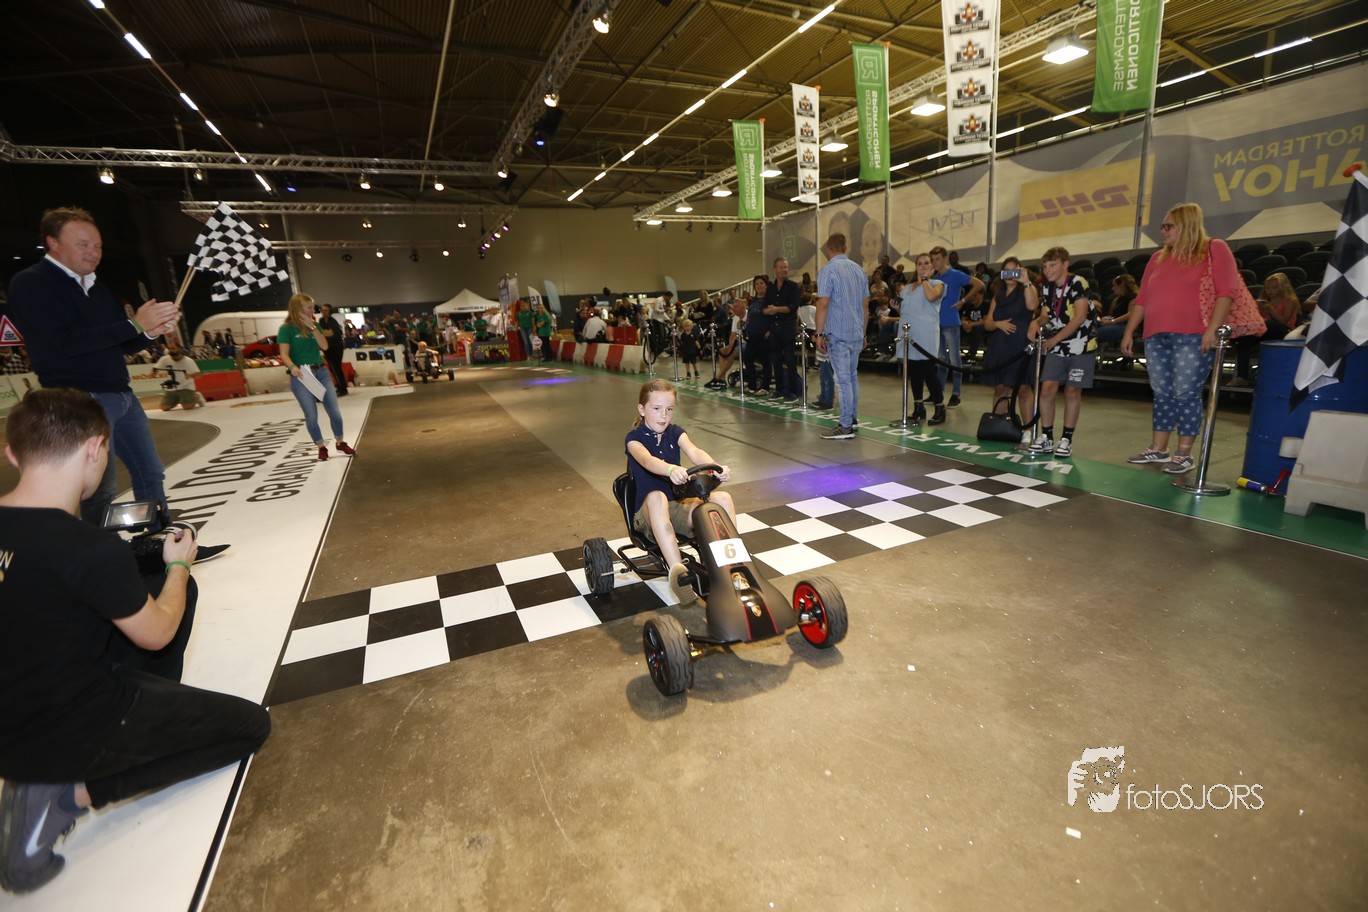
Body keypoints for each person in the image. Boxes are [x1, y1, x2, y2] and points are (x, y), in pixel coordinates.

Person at [0, 389, 270, 895]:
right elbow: (159, 631)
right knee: (250, 727)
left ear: (12, 453)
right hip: (71, 721)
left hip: (12, 705)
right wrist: (179, 567)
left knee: (135, 594)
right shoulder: (87, 549)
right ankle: (70, 793)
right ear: (95, 449)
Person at [4, 207, 229, 559]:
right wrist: (135, 325)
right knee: (98, 486)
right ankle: (101, 558)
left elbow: (121, 343)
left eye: (97, 245)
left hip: (121, 395)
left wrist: (150, 332)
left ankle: (160, 545)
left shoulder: (96, 287)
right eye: (83, 244)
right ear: (53, 243)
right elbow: (64, 342)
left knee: (150, 473)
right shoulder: (31, 283)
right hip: (79, 398)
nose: (93, 252)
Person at [1121, 203, 1237, 474]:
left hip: (1193, 335)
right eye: (1162, 226)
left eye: (1168, 226)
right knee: (1162, 392)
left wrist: (1212, 329)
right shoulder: (1157, 258)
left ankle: (1184, 453)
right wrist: (1129, 331)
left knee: (1185, 393)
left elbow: (1226, 292)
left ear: (1187, 225)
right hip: (1156, 335)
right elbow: (1142, 299)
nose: (1163, 231)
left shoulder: (1214, 249)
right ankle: (1158, 448)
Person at [624, 379, 734, 604]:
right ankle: (679, 573)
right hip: (647, 515)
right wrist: (670, 469)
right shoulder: (634, 439)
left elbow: (695, 452)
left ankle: (731, 562)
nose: (663, 415)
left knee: (722, 498)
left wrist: (716, 467)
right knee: (657, 497)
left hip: (676, 508)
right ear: (642, 409)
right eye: (656, 409)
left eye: (669, 409)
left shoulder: (674, 433)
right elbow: (647, 460)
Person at [1027, 247, 1095, 459]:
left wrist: (1055, 339)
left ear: (1066, 264)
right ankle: (1047, 436)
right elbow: (1046, 315)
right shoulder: (1047, 287)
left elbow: (1080, 316)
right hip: (1057, 345)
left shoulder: (1078, 282)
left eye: (1053, 265)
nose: (1048, 270)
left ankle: (1067, 439)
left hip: (1081, 345)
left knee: (1072, 391)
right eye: (1045, 266)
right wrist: (1035, 323)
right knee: (1047, 388)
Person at [279, 294, 356, 462]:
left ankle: (340, 442)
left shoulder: (315, 325)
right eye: (309, 307)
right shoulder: (286, 329)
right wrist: (292, 367)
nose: (313, 310)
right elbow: (284, 354)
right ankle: (321, 446)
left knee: (334, 411)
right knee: (311, 416)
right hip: (301, 376)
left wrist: (313, 328)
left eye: (312, 307)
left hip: (321, 372)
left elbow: (325, 346)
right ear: (298, 309)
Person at [813, 233, 870, 439]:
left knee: (843, 380)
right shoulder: (859, 270)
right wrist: (863, 333)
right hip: (855, 332)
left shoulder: (828, 270)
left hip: (838, 333)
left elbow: (823, 303)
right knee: (852, 377)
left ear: (828, 248)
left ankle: (845, 425)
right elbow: (865, 305)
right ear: (845, 247)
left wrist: (819, 333)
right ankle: (852, 418)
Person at [983, 257, 1040, 435]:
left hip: (1020, 344)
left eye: (1013, 270)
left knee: (1023, 388)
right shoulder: (998, 295)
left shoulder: (1028, 289)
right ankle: (999, 429)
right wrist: (998, 324)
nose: (1010, 274)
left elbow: (1032, 305)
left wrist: (1026, 281)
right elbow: (987, 323)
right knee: (1000, 388)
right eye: (1006, 271)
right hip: (1000, 345)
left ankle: (1028, 432)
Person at [930, 246, 986, 409]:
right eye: (933, 259)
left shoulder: (955, 274)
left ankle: (956, 393)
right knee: (941, 360)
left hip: (951, 322)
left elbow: (979, 284)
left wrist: (963, 301)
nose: (935, 262)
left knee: (955, 359)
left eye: (938, 259)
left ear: (945, 258)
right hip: (937, 323)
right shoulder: (935, 277)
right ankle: (939, 392)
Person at [897, 254, 947, 425]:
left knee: (928, 371)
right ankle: (918, 406)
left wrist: (925, 280)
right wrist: (896, 308)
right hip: (908, 334)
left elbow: (931, 297)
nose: (923, 266)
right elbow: (905, 311)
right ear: (915, 266)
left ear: (932, 266)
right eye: (920, 264)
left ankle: (940, 408)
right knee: (914, 372)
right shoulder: (906, 288)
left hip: (926, 334)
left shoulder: (937, 284)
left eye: (927, 263)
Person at [1231, 272, 1300, 386]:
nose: (1270, 291)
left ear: (1282, 288)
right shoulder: (1264, 301)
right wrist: (1256, 309)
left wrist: (1271, 309)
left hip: (1283, 332)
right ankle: (1242, 376)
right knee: (1243, 340)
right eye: (1268, 288)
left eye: (1274, 288)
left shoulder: (1290, 301)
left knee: (1268, 324)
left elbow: (1283, 321)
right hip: (1264, 331)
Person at [764, 257, 802, 400]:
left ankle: (792, 391)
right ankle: (779, 390)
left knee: (790, 359)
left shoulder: (793, 287)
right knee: (776, 360)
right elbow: (764, 307)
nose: (784, 270)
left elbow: (793, 307)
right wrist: (767, 311)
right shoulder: (771, 288)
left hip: (788, 327)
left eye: (786, 267)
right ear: (775, 270)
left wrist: (776, 309)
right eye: (781, 267)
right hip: (774, 328)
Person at [152, 339, 202, 410]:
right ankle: (179, 399)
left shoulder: (188, 361)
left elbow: (199, 374)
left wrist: (190, 376)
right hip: (171, 389)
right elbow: (155, 368)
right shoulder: (164, 359)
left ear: (180, 349)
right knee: (164, 408)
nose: (171, 351)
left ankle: (196, 396)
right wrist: (153, 373)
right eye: (169, 349)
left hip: (186, 387)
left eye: (173, 348)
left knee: (187, 407)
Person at [1095, 274, 1138, 348]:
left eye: (1114, 286)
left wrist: (1112, 321)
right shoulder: (1118, 299)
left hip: (1126, 326)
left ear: (1122, 285)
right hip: (1117, 324)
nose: (1112, 288)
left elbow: (1131, 314)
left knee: (1095, 334)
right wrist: (1109, 318)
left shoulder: (1133, 297)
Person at [316, 304, 349, 396]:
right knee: (331, 367)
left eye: (326, 310)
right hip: (328, 347)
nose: (323, 312)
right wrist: (323, 332)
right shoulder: (321, 320)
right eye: (322, 310)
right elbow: (323, 333)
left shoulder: (333, 321)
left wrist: (321, 332)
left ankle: (343, 388)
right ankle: (339, 386)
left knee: (337, 367)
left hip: (337, 346)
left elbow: (329, 333)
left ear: (330, 311)